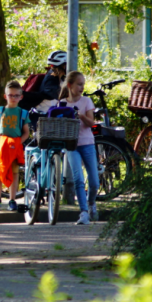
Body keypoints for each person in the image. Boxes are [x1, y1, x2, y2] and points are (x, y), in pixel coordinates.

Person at [57, 71, 99, 224]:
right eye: (79, 84)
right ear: (70, 85)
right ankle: (84, 212)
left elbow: (92, 124)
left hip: (87, 143)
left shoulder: (86, 101)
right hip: (71, 145)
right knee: (78, 179)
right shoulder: (62, 104)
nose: (82, 87)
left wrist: (81, 116)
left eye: (83, 84)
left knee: (94, 182)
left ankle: (91, 203)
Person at [0, 81, 31, 211]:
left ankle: (12, 199)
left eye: (16, 95)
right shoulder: (0, 111)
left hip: (15, 147)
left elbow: (26, 132)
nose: (13, 98)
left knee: (14, 171)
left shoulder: (23, 113)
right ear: (5, 96)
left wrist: (18, 142)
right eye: (10, 95)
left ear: (21, 97)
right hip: (1, 147)